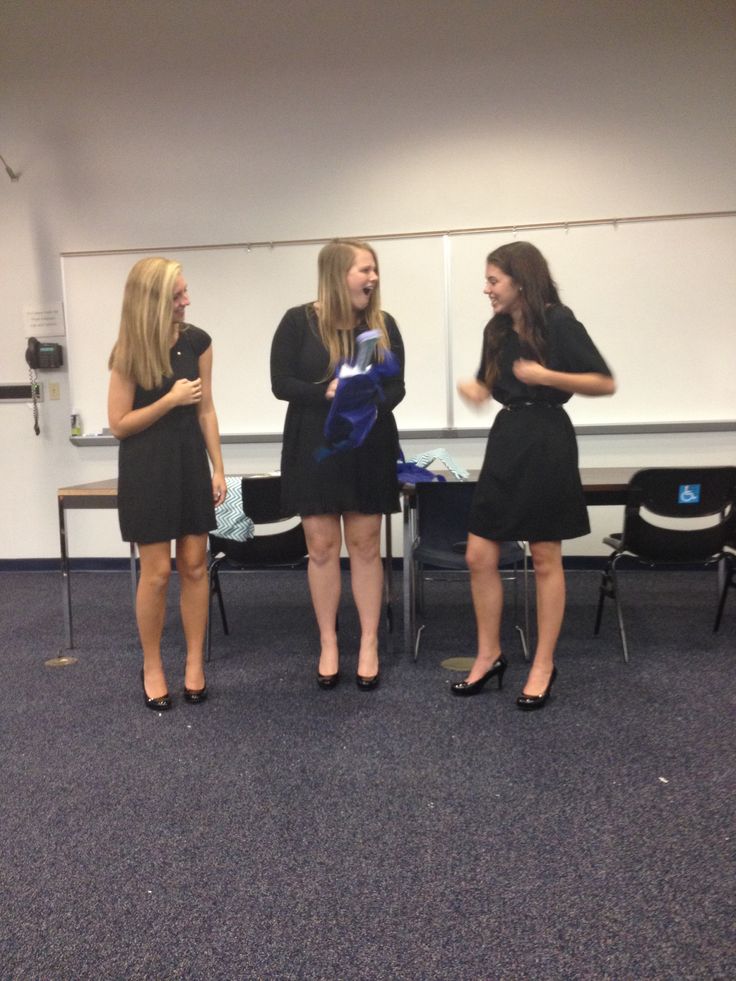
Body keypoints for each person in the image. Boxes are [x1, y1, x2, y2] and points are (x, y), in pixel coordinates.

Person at [455, 241, 615, 710]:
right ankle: (489, 655)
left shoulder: (559, 322)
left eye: (493, 280)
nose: (486, 289)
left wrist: (548, 376)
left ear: (521, 280)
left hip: (548, 436)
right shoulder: (497, 329)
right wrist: (477, 389)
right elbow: (487, 382)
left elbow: (602, 381)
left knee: (546, 555)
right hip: (507, 438)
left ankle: (543, 663)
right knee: (478, 554)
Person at [271, 239, 405, 690]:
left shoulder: (382, 325)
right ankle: (329, 642)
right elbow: (280, 382)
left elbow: (398, 387)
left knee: (366, 545)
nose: (374, 278)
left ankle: (368, 643)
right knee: (322, 546)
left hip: (368, 443)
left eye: (375, 269)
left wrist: (370, 399)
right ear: (337, 274)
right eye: (365, 269)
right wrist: (325, 392)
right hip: (315, 444)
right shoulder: (298, 321)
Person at [108, 257, 226, 710]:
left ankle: (195, 663)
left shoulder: (198, 342)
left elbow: (206, 409)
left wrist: (218, 466)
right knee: (156, 574)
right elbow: (119, 423)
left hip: (189, 464)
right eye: (178, 295)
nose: (187, 300)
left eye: (185, 291)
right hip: (146, 468)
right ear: (153, 299)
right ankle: (153, 665)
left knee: (195, 566)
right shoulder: (128, 352)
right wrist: (169, 399)